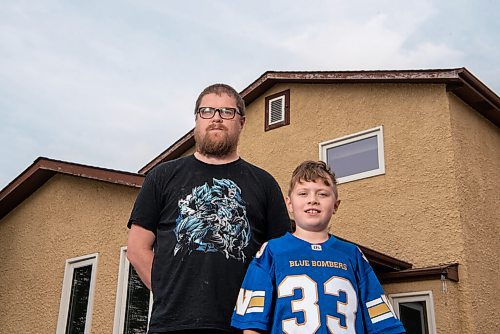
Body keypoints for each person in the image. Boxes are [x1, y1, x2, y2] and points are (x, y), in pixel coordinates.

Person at [127, 83, 291, 333]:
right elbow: (137, 248)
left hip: (244, 326)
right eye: (207, 111)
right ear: (196, 119)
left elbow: (280, 259)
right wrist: (168, 293)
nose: (216, 118)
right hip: (171, 326)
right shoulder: (162, 176)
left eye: (227, 112)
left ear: (242, 122)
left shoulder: (264, 184)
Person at [231, 161, 406, 334]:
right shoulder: (271, 252)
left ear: (335, 205)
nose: (312, 200)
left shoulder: (353, 255)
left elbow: (384, 324)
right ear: (289, 203)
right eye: (303, 193)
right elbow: (253, 324)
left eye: (322, 194)